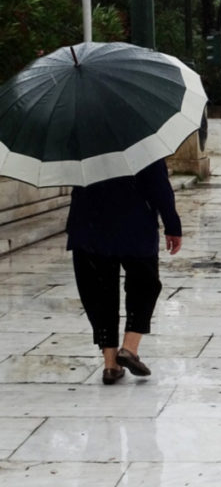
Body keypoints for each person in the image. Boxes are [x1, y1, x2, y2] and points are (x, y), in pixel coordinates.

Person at [66, 158, 182, 385]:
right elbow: (158, 183)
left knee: (98, 291)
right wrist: (172, 224)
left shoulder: (77, 142)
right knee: (145, 284)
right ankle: (129, 348)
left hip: (88, 222)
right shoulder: (140, 142)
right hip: (134, 220)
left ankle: (110, 364)